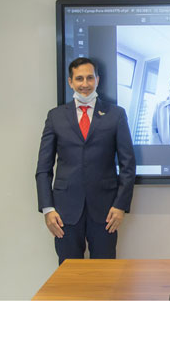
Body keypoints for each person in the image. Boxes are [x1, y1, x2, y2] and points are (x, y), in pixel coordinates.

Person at [35, 57, 136, 264]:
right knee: (70, 275)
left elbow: (128, 165)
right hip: (64, 212)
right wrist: (47, 208)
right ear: (70, 82)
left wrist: (120, 205)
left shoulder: (116, 115)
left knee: (105, 274)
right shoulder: (55, 116)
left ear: (97, 80)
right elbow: (43, 168)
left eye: (90, 78)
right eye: (79, 78)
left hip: (106, 212)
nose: (85, 84)